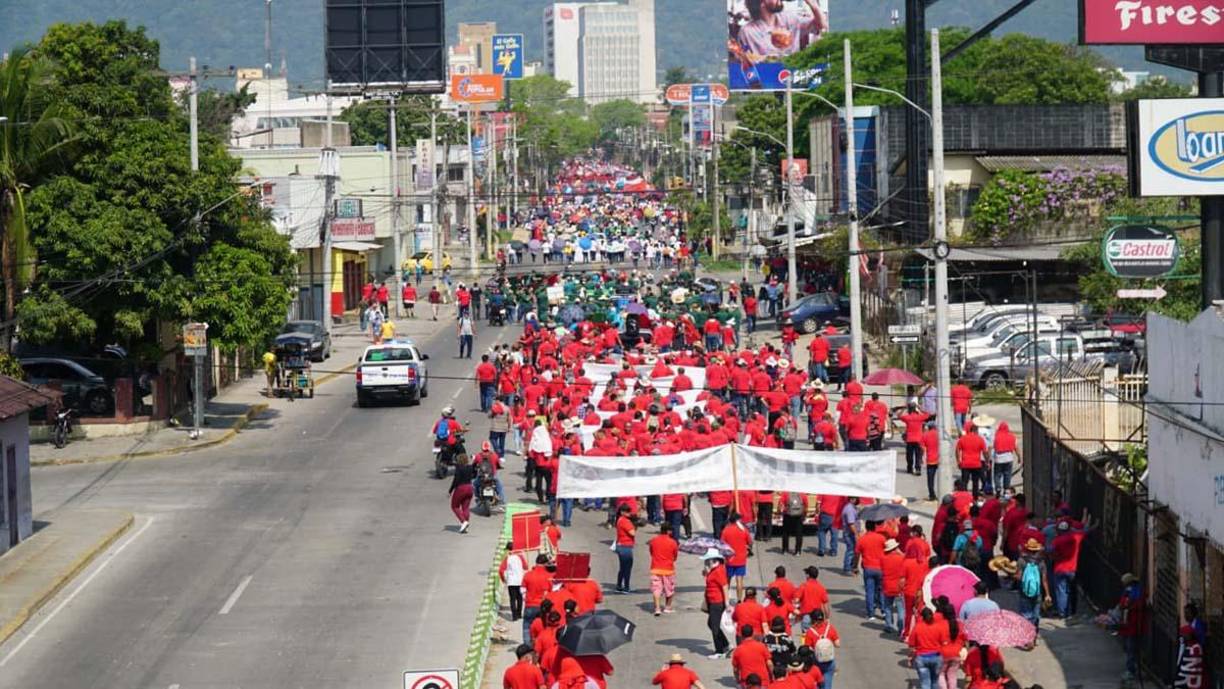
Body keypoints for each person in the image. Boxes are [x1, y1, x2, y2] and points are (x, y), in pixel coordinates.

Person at [1016, 538, 1052, 631]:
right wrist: (1047, 594)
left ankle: (1028, 634)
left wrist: (1013, 575)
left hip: (1024, 591)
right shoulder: (1041, 562)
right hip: (1037, 592)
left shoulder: (1021, 560)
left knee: (1026, 613)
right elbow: (1044, 580)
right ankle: (1034, 633)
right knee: (1036, 614)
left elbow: (1019, 577)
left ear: (1027, 549)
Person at [853, 520, 886, 619]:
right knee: (881, 590)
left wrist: (855, 567)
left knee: (870, 591)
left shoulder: (862, 539)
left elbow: (857, 554)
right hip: (881, 568)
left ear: (866, 528)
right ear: (875, 527)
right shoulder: (881, 538)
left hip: (868, 568)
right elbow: (887, 550)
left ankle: (871, 614)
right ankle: (884, 611)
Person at [702, 548, 731, 658]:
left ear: (713, 560)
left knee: (714, 626)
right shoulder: (714, 570)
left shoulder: (718, 571)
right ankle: (726, 645)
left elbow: (724, 586)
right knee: (712, 624)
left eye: (708, 560)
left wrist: (727, 603)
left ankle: (719, 651)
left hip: (717, 602)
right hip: (712, 601)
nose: (706, 562)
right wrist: (707, 572)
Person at [1117, 572, 1146, 681]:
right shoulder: (1132, 592)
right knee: (1132, 648)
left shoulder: (1133, 593)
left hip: (1133, 625)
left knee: (1131, 648)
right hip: (1130, 625)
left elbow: (1126, 605)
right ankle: (1134, 668)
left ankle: (1131, 670)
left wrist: (1126, 606)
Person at [801, 610, 839, 689]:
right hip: (829, 661)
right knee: (827, 684)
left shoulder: (810, 632)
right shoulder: (830, 628)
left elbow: (807, 648)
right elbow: (837, 644)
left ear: (812, 620)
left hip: (816, 661)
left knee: (816, 683)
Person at [720, 512, 753, 601]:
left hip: (729, 559)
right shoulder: (743, 530)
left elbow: (721, 544)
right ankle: (739, 600)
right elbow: (750, 542)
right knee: (739, 580)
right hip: (741, 558)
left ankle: (725, 598)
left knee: (727, 580)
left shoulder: (726, 530)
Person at [649, 523, 680, 616]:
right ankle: (667, 607)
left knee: (656, 589)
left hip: (655, 568)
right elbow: (675, 556)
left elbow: (651, 552)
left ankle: (657, 608)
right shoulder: (673, 542)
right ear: (668, 531)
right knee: (669, 589)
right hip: (668, 569)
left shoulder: (653, 541)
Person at [521, 554, 553, 644]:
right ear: (546, 563)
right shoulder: (549, 576)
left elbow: (522, 589)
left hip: (529, 605)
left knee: (527, 627)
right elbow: (551, 591)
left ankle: (528, 647)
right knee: (542, 627)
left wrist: (526, 599)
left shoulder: (528, 575)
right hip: (543, 606)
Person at [880, 538, 907, 635]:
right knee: (901, 609)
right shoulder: (901, 558)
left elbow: (882, 570)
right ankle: (901, 627)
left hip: (887, 585)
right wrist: (900, 552)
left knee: (887, 606)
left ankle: (888, 625)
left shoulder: (883, 558)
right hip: (899, 587)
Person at [956, 424, 988, 494]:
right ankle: (974, 497)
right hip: (976, 464)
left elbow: (957, 450)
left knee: (964, 482)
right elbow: (985, 452)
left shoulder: (963, 439)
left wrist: (958, 461)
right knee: (975, 482)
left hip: (965, 464)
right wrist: (987, 461)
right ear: (976, 430)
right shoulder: (980, 439)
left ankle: (964, 496)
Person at [499, 543, 528, 621]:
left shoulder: (507, 558)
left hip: (511, 581)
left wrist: (503, 579)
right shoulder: (520, 556)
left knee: (512, 599)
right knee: (520, 598)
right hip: (520, 580)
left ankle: (514, 616)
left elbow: (501, 570)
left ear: (509, 550)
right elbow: (526, 566)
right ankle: (519, 614)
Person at [448, 453, 476, 533]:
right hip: (470, 488)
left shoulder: (459, 468)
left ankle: (463, 521)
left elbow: (456, 480)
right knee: (465, 508)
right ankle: (465, 525)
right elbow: (474, 474)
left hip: (461, 488)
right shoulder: (470, 467)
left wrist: (450, 490)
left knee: (455, 506)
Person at [899, 404, 929, 476]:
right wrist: (920, 408)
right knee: (918, 455)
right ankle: (918, 469)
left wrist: (904, 408)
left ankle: (910, 468)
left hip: (909, 439)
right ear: (916, 410)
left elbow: (899, 415)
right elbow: (928, 414)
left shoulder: (908, 417)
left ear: (909, 410)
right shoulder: (920, 417)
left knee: (909, 455)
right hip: (919, 439)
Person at [614, 503, 636, 593]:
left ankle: (619, 585)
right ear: (622, 512)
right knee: (627, 568)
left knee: (622, 568)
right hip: (625, 547)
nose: (629, 513)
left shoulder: (619, 520)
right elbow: (632, 533)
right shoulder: (625, 521)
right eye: (627, 512)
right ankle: (626, 587)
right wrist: (634, 525)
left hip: (620, 545)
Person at [779, 492, 808, 556]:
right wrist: (804, 515)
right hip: (799, 515)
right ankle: (798, 551)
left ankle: (785, 550)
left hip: (788, 515)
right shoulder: (802, 493)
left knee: (786, 533)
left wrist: (780, 513)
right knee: (799, 534)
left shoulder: (785, 493)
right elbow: (806, 505)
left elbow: (781, 504)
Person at [992, 421, 1017, 491]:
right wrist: (1019, 457)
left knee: (997, 475)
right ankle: (1006, 489)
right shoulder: (1012, 436)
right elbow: (1015, 447)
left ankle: (998, 488)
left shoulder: (997, 437)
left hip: (999, 458)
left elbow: (993, 446)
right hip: (1009, 458)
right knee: (1007, 475)